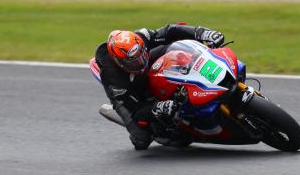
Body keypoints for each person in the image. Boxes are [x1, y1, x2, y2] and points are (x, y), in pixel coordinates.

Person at [94, 23, 225, 150]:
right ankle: (159, 127)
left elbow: (170, 31)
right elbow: (135, 110)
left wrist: (203, 33)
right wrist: (157, 107)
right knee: (141, 139)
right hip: (126, 95)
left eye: (141, 56)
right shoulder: (112, 77)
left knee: (176, 49)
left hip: (144, 63)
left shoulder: (142, 37)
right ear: (119, 62)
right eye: (134, 62)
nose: (141, 63)